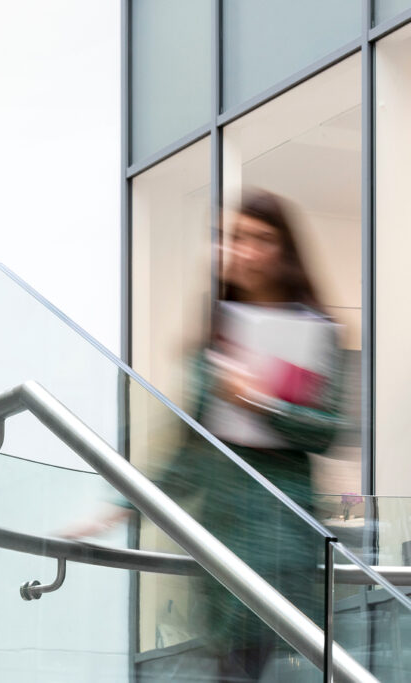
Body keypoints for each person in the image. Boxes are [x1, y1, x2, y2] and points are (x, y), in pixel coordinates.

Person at [59, 189, 345, 681]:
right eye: (233, 238)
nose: (245, 251)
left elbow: (326, 432)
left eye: (261, 239)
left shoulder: (317, 332)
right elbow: (189, 453)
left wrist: (255, 399)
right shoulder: (212, 345)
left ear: (284, 251)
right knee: (231, 666)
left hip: (284, 539)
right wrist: (121, 506)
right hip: (221, 538)